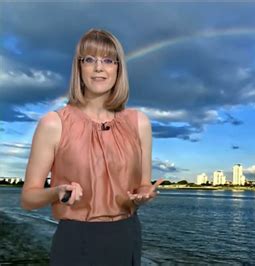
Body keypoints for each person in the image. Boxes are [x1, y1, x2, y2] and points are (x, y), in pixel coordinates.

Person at [21, 28, 162, 266]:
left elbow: (143, 184)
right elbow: (28, 199)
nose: (99, 67)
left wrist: (144, 194)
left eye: (108, 60)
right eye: (90, 59)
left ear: (118, 68)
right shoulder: (53, 123)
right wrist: (57, 192)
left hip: (127, 238)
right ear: (79, 67)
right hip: (76, 242)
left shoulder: (140, 123)